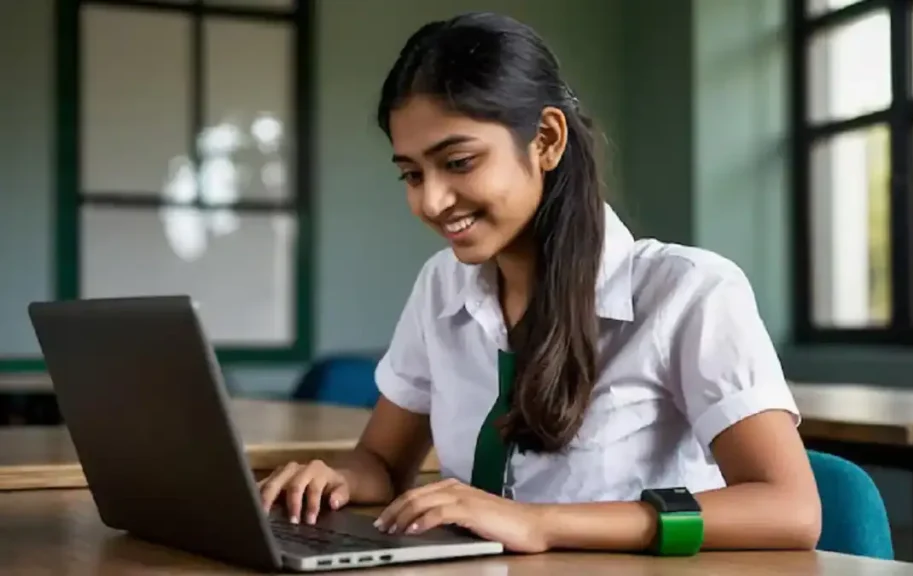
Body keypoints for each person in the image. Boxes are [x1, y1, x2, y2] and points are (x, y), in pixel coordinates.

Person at [258, 12, 821, 555]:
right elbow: (381, 462)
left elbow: (790, 509)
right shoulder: (440, 286)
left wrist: (542, 523)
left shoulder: (689, 291)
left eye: (457, 162)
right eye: (411, 173)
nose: (429, 201)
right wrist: (335, 479)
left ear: (547, 139)